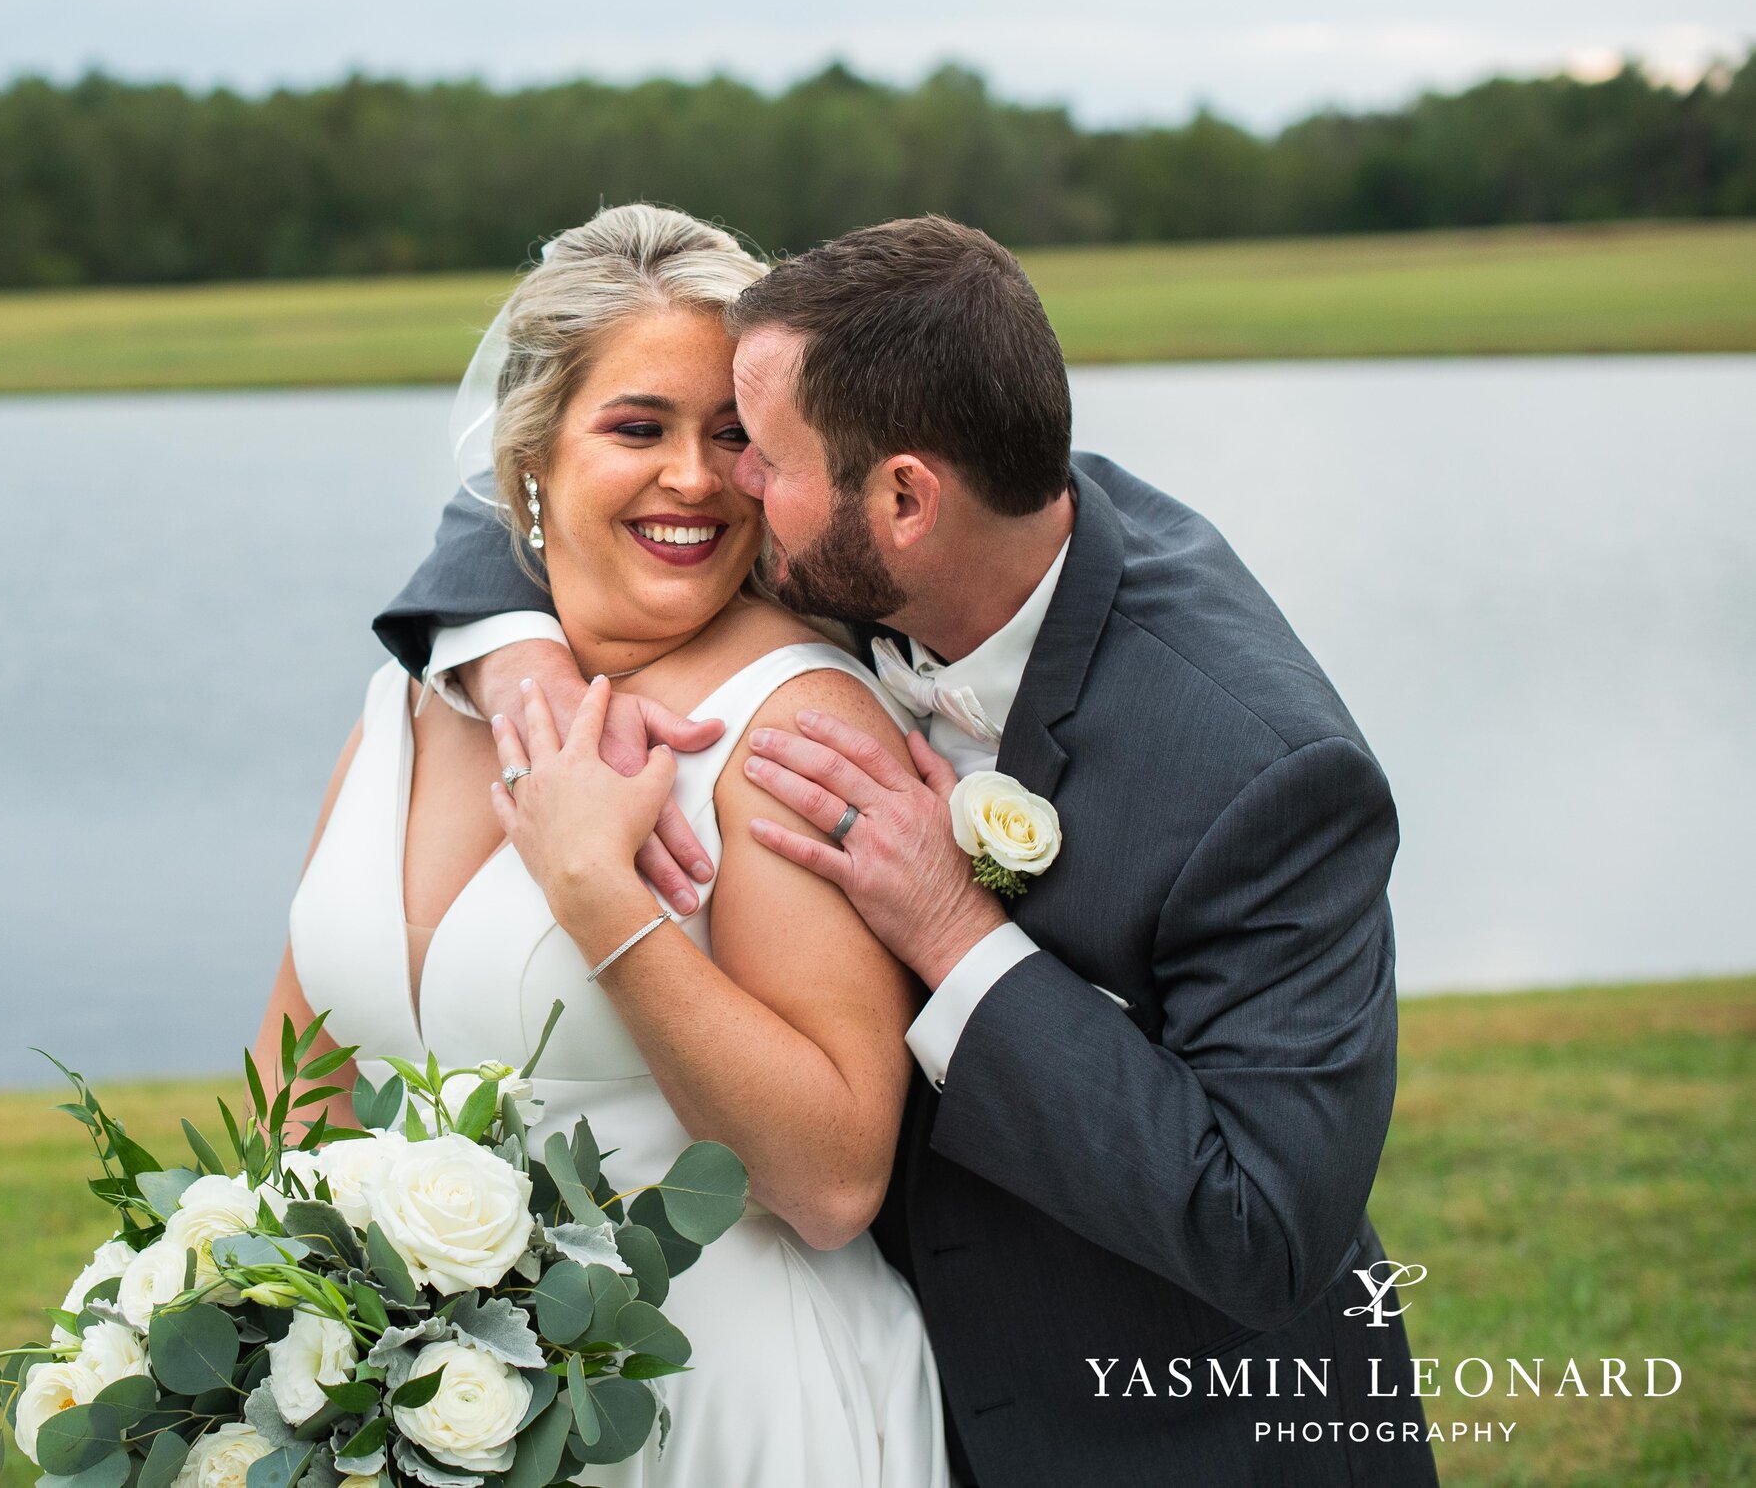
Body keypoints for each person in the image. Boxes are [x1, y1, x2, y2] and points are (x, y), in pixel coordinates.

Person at [374, 213, 1438, 1486]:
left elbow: (1264, 1226)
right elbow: (541, 462)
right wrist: (514, 652)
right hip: (870, 1391)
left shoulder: (1262, 773)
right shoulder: (893, 489)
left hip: (1182, 1432)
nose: (718, 487)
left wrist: (956, 933)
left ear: (901, 499)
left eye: (755, 453)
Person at [254, 203, 948, 1486]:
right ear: (532, 455)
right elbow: (298, 1070)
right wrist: (264, 1332)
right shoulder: (418, 695)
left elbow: (834, 1175)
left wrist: (598, 898)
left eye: (733, 439)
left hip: (724, 1409)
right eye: (638, 428)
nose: (693, 476)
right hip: (448, 1416)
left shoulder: (790, 720)